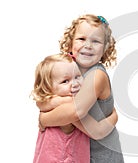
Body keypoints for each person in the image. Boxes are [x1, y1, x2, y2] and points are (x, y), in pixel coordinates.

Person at [38, 14, 124, 163]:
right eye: (81, 39)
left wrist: (44, 118)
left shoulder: (96, 75)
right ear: (70, 42)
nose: (88, 45)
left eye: (96, 41)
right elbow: (42, 97)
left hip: (101, 156)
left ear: (105, 48)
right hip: (77, 152)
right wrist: (51, 104)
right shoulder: (68, 69)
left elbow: (76, 112)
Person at [31, 54, 118, 163]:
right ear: (48, 88)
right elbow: (97, 131)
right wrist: (114, 116)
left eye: (77, 76)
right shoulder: (69, 111)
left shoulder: (51, 105)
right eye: (65, 81)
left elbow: (41, 102)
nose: (75, 84)